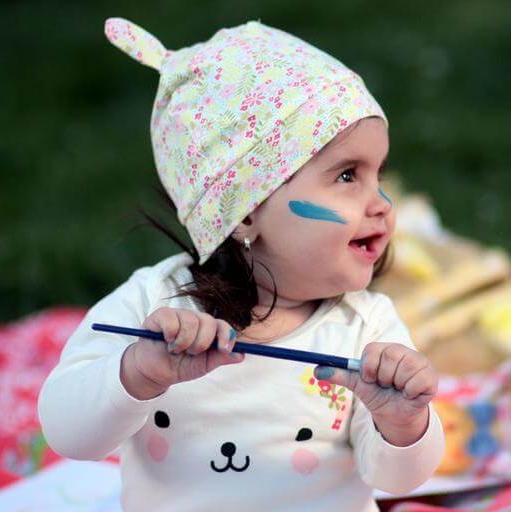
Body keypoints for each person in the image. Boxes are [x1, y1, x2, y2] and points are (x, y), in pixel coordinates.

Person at [38, 17, 444, 512]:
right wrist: (140, 373)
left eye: (376, 173)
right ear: (245, 208)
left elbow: (397, 478)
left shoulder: (366, 328)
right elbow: (68, 433)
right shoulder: (153, 306)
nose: (381, 202)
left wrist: (402, 423)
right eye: (345, 175)